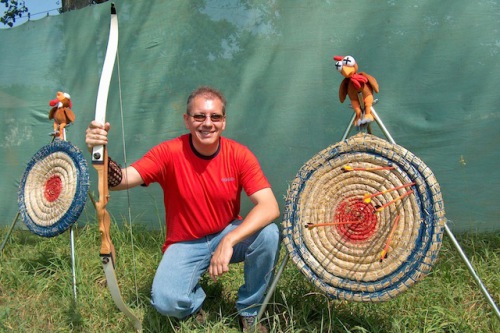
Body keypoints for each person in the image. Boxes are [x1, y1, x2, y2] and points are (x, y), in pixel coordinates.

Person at [85, 86, 280, 333]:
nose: (207, 123)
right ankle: (194, 303)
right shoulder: (168, 152)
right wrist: (98, 151)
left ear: (224, 122)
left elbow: (270, 206)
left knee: (269, 234)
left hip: (226, 232)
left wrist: (229, 240)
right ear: (187, 120)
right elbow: (118, 180)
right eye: (199, 116)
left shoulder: (239, 154)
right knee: (166, 302)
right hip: (185, 243)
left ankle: (250, 310)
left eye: (215, 117)